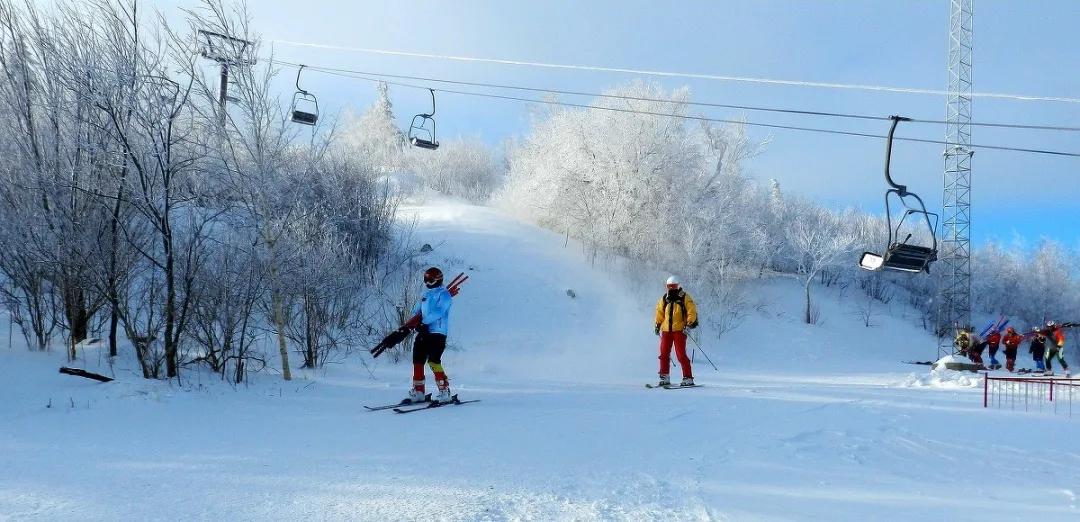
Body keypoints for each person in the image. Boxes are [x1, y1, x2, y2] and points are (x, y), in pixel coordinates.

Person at [406, 267, 454, 404]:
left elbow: (439, 312)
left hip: (437, 333)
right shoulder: (426, 294)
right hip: (424, 331)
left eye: (430, 280)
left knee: (433, 360)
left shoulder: (444, 294)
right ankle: (419, 390)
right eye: (426, 280)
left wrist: (424, 321)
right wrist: (414, 322)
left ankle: (444, 390)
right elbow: (417, 310)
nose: (427, 283)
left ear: (438, 279)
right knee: (418, 359)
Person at [654, 276, 698, 387]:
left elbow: (691, 311)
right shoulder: (664, 298)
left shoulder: (684, 297)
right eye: (669, 286)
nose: (671, 288)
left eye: (673, 286)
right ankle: (664, 376)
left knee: (680, 355)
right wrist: (657, 324)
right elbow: (659, 312)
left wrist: (689, 323)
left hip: (679, 331)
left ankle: (688, 377)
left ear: (677, 285)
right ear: (667, 286)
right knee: (663, 354)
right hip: (666, 331)